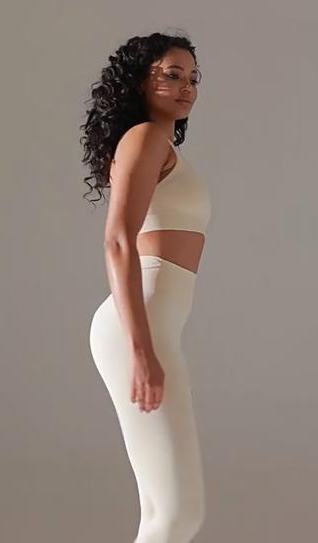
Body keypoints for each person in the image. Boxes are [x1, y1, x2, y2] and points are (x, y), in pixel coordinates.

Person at [81, 31, 210, 543]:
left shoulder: (157, 144)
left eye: (193, 78)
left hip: (155, 326)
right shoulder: (145, 138)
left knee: (163, 512)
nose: (187, 87)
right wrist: (142, 351)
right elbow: (117, 240)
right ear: (139, 82)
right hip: (139, 328)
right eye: (172, 75)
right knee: (177, 515)